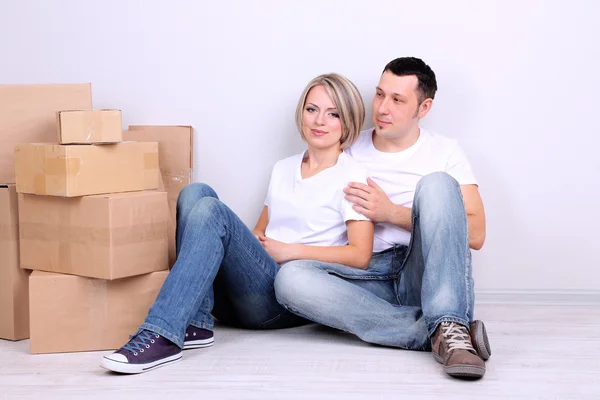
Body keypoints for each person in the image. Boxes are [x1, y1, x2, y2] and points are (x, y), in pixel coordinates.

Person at [100, 73, 374, 374]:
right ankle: (197, 323)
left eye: (332, 114)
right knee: (196, 193)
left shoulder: (352, 176)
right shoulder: (283, 169)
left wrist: (290, 251)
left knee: (212, 211)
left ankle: (163, 332)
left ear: (347, 122)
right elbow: (260, 230)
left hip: (284, 300)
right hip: (245, 292)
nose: (319, 120)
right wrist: (257, 240)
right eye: (312, 109)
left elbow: (359, 255)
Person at [274, 57, 492, 380]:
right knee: (290, 279)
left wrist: (391, 213)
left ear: (424, 107)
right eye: (379, 94)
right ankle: (437, 332)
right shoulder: (348, 146)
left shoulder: (445, 152)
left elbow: (475, 235)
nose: (382, 108)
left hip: (423, 273)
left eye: (397, 100)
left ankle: (447, 318)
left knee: (436, 185)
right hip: (367, 273)